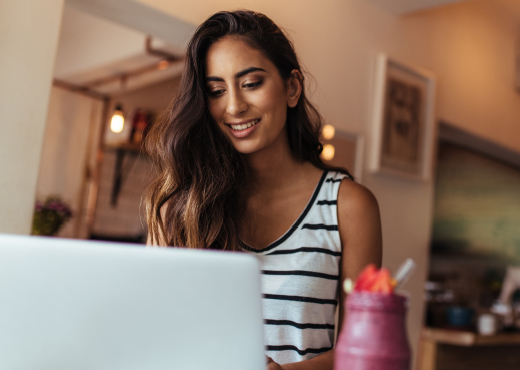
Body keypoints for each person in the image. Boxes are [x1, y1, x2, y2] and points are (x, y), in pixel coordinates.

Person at [144, 10, 382, 370]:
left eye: (251, 83)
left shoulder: (348, 206)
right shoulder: (179, 207)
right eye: (216, 91)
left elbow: (364, 354)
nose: (235, 106)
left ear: (291, 88)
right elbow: (151, 330)